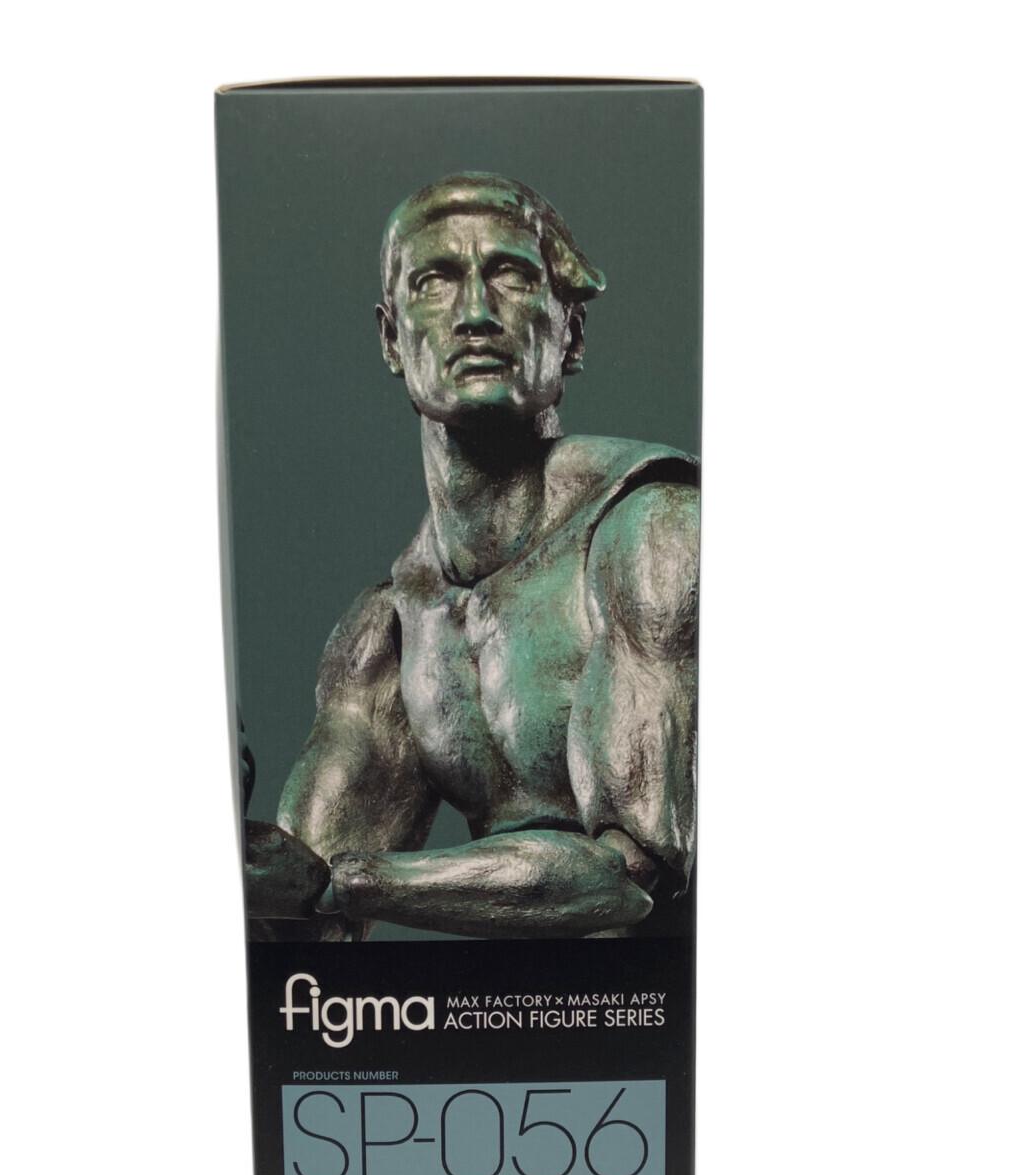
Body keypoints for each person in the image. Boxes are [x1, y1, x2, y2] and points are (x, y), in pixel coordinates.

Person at [243, 172, 698, 940]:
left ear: (571, 335)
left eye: (513, 276)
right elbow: (306, 915)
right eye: (436, 282)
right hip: (505, 1005)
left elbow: (629, 882)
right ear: (392, 339)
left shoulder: (651, 533)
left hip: (674, 1002)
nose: (477, 313)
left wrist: (349, 885)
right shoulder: (389, 630)